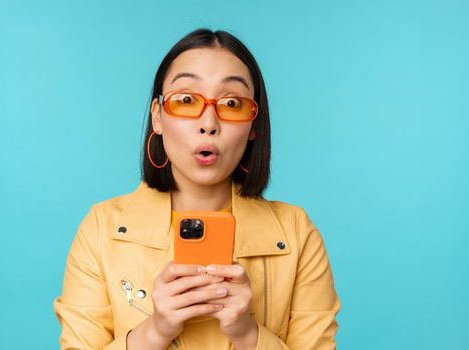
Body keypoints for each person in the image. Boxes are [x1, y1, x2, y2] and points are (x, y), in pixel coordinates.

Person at [53, 28, 340, 350]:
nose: (209, 122)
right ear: (158, 117)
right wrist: (155, 331)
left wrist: (247, 334)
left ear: (253, 127)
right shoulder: (101, 228)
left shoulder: (295, 232)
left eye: (232, 102)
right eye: (186, 100)